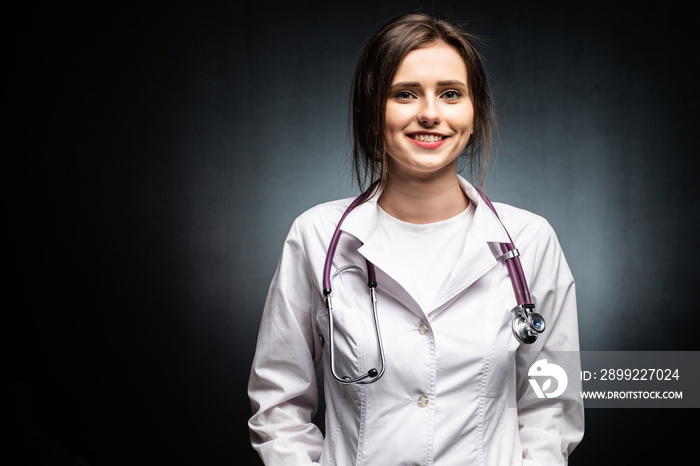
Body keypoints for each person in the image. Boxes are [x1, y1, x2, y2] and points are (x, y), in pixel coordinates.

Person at [248, 12, 583, 465]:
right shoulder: (318, 236)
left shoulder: (529, 240)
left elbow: (551, 407)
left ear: (474, 112)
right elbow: (278, 405)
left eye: (450, 94)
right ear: (372, 113)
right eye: (405, 94)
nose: (430, 113)